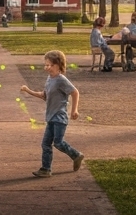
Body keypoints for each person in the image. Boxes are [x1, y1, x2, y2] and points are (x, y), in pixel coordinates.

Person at [20, 50, 83, 178]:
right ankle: (46, 169)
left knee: (58, 143)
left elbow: (75, 92)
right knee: (45, 144)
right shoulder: (49, 79)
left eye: (50, 65)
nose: (47, 67)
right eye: (46, 65)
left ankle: (76, 155)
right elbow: (44, 95)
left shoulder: (61, 80)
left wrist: (74, 110)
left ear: (59, 65)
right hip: (50, 117)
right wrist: (28, 90)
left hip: (59, 117)